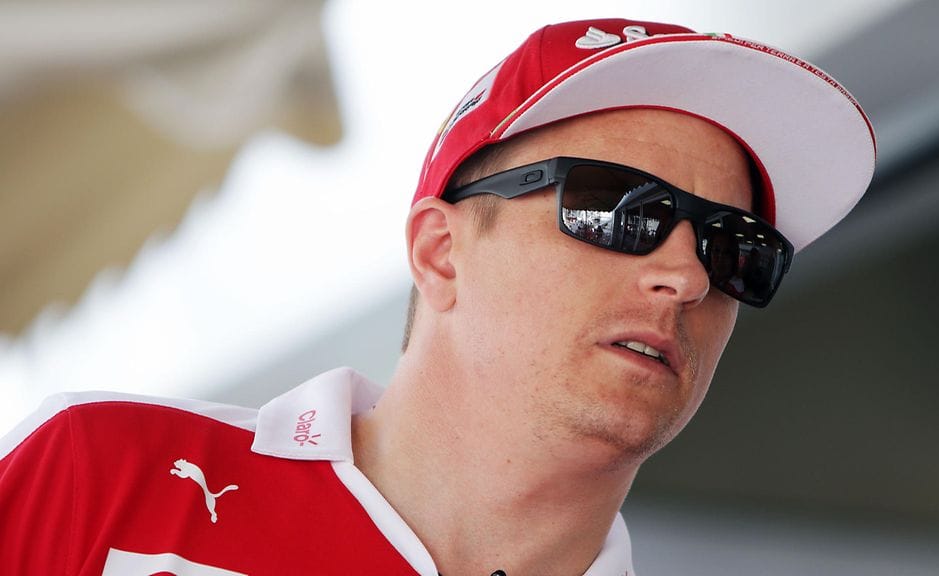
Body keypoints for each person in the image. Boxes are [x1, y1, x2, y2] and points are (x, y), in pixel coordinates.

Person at [0, 17, 875, 576]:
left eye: (736, 249)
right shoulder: (107, 475)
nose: (686, 276)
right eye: (619, 210)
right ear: (441, 252)